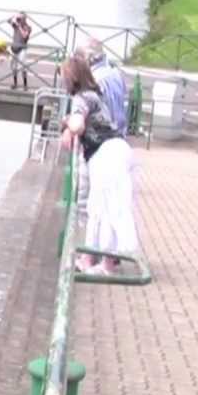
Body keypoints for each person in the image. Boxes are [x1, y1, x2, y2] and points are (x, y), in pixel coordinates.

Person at [59, 55, 140, 274]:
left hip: (105, 155)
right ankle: (102, 261)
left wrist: (67, 124)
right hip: (120, 149)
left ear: (71, 79)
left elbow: (77, 124)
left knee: (101, 208)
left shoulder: (80, 99)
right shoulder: (96, 95)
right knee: (111, 207)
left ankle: (100, 263)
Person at [10, 13, 32, 90]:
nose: (20, 20)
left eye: (21, 18)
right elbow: (8, 20)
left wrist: (19, 27)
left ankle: (25, 85)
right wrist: (15, 16)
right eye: (20, 18)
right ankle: (15, 83)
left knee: (22, 67)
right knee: (13, 67)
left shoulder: (28, 27)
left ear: (25, 19)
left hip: (22, 49)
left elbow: (25, 36)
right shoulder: (15, 25)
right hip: (14, 48)